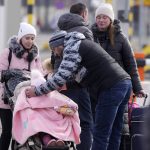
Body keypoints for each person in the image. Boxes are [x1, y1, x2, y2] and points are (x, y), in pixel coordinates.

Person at [25, 30, 133, 150]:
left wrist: (36, 91)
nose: (55, 54)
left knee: (101, 133)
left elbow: (59, 78)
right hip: (124, 83)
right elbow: (82, 78)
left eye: (54, 49)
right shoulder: (80, 45)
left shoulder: (71, 48)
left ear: (59, 45)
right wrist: (66, 86)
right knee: (114, 131)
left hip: (111, 87)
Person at [91, 3, 146, 149]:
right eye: (98, 17)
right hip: (99, 88)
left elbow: (131, 65)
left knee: (112, 130)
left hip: (115, 88)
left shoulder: (120, 38)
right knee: (107, 129)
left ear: (111, 19)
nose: (101, 20)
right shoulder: (90, 36)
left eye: (104, 17)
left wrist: (138, 88)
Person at [55, 3, 93, 150]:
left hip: (60, 83)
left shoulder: (59, 30)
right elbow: (88, 58)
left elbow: (55, 57)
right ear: (84, 14)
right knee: (84, 122)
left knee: (64, 120)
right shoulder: (84, 30)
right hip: (78, 84)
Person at [0, 22, 43, 150]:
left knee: (23, 132)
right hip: (6, 100)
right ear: (20, 38)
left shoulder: (35, 57)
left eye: (32, 38)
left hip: (26, 101)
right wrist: (17, 74)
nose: (30, 41)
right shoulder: (7, 53)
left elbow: (40, 76)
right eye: (27, 38)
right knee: (7, 131)